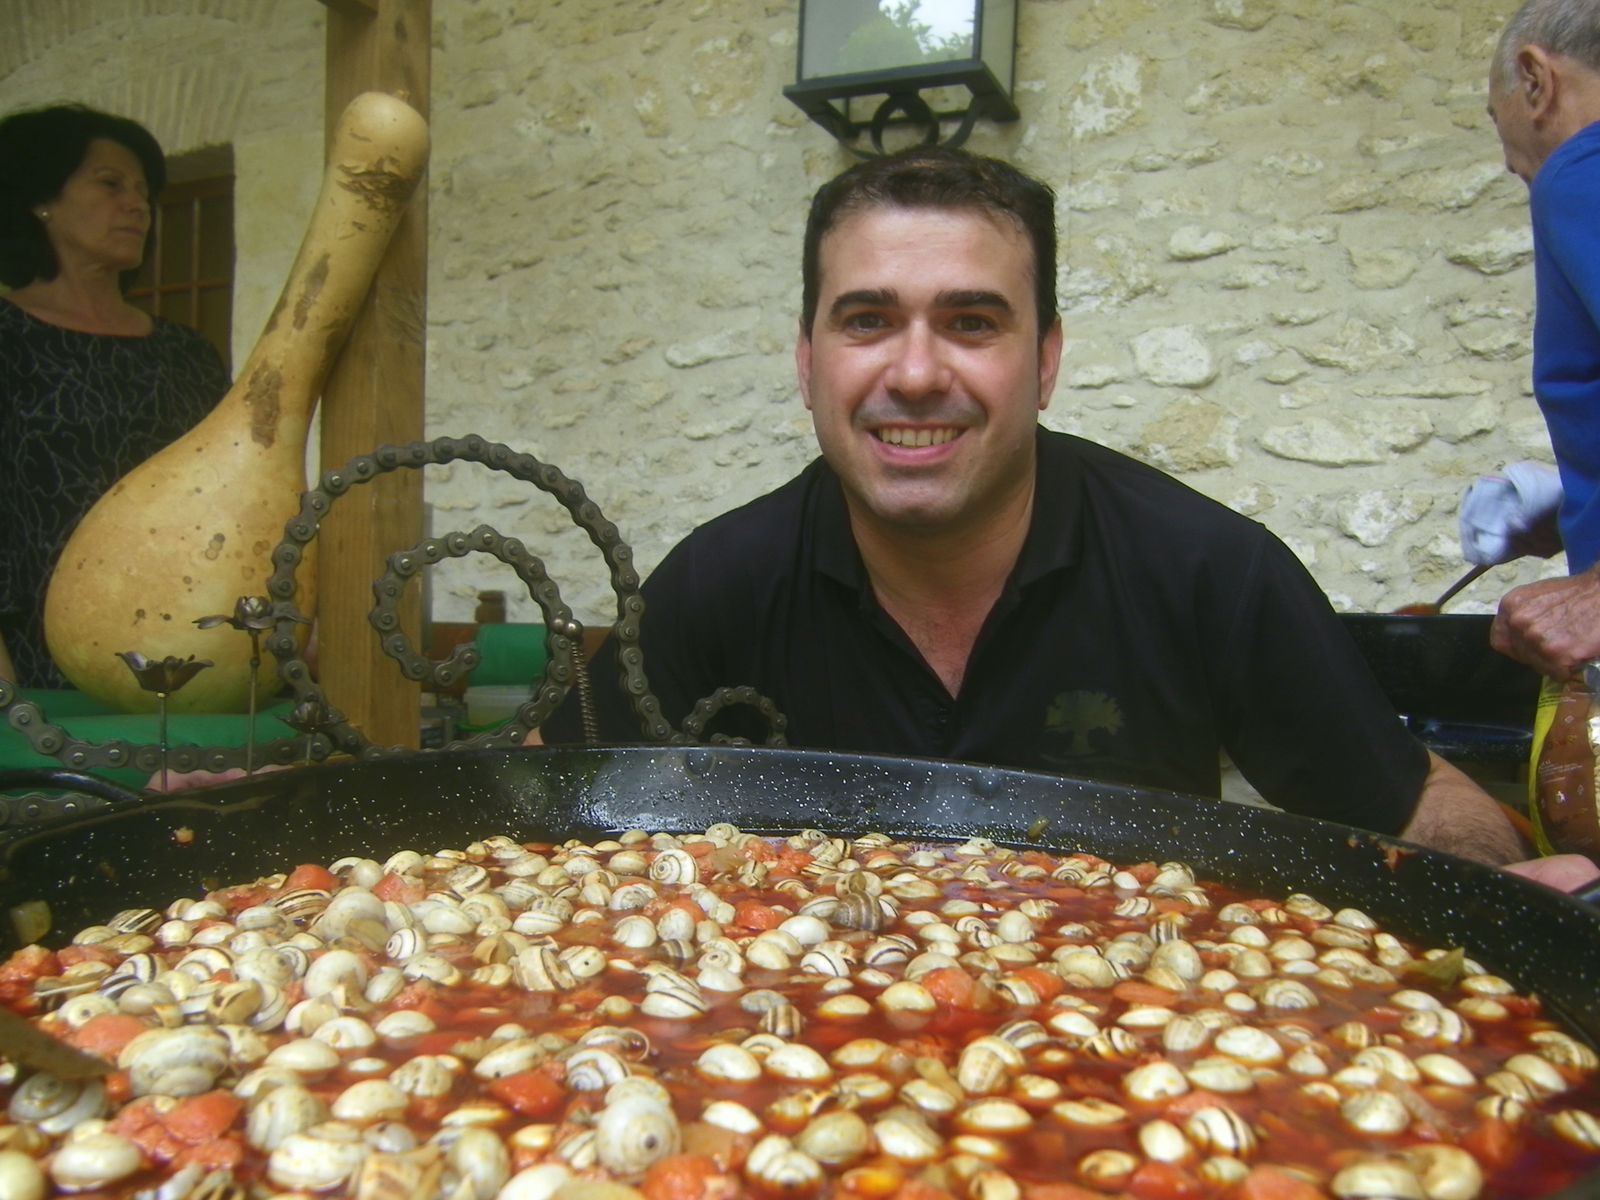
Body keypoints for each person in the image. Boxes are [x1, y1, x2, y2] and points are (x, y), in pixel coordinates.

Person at [535, 145, 1564, 877]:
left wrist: (1496, 887)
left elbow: (1425, 807)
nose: (917, 371)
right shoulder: (716, 585)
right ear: (808, 363)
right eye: (867, 321)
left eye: (971, 322)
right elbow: (544, 807)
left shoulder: (1206, 567)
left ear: (1046, 363)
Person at [0, 104, 228, 689]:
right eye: (110, 184)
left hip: (182, 650)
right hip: (28, 655)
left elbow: (228, 497)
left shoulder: (186, 355)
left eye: (145, 192)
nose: (138, 205)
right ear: (39, 198)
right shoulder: (7, 337)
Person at [1484, 0, 1600, 679]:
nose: (1506, 162)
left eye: (1493, 120)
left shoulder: (1582, 167)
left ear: (1535, 79)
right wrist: (1576, 501)